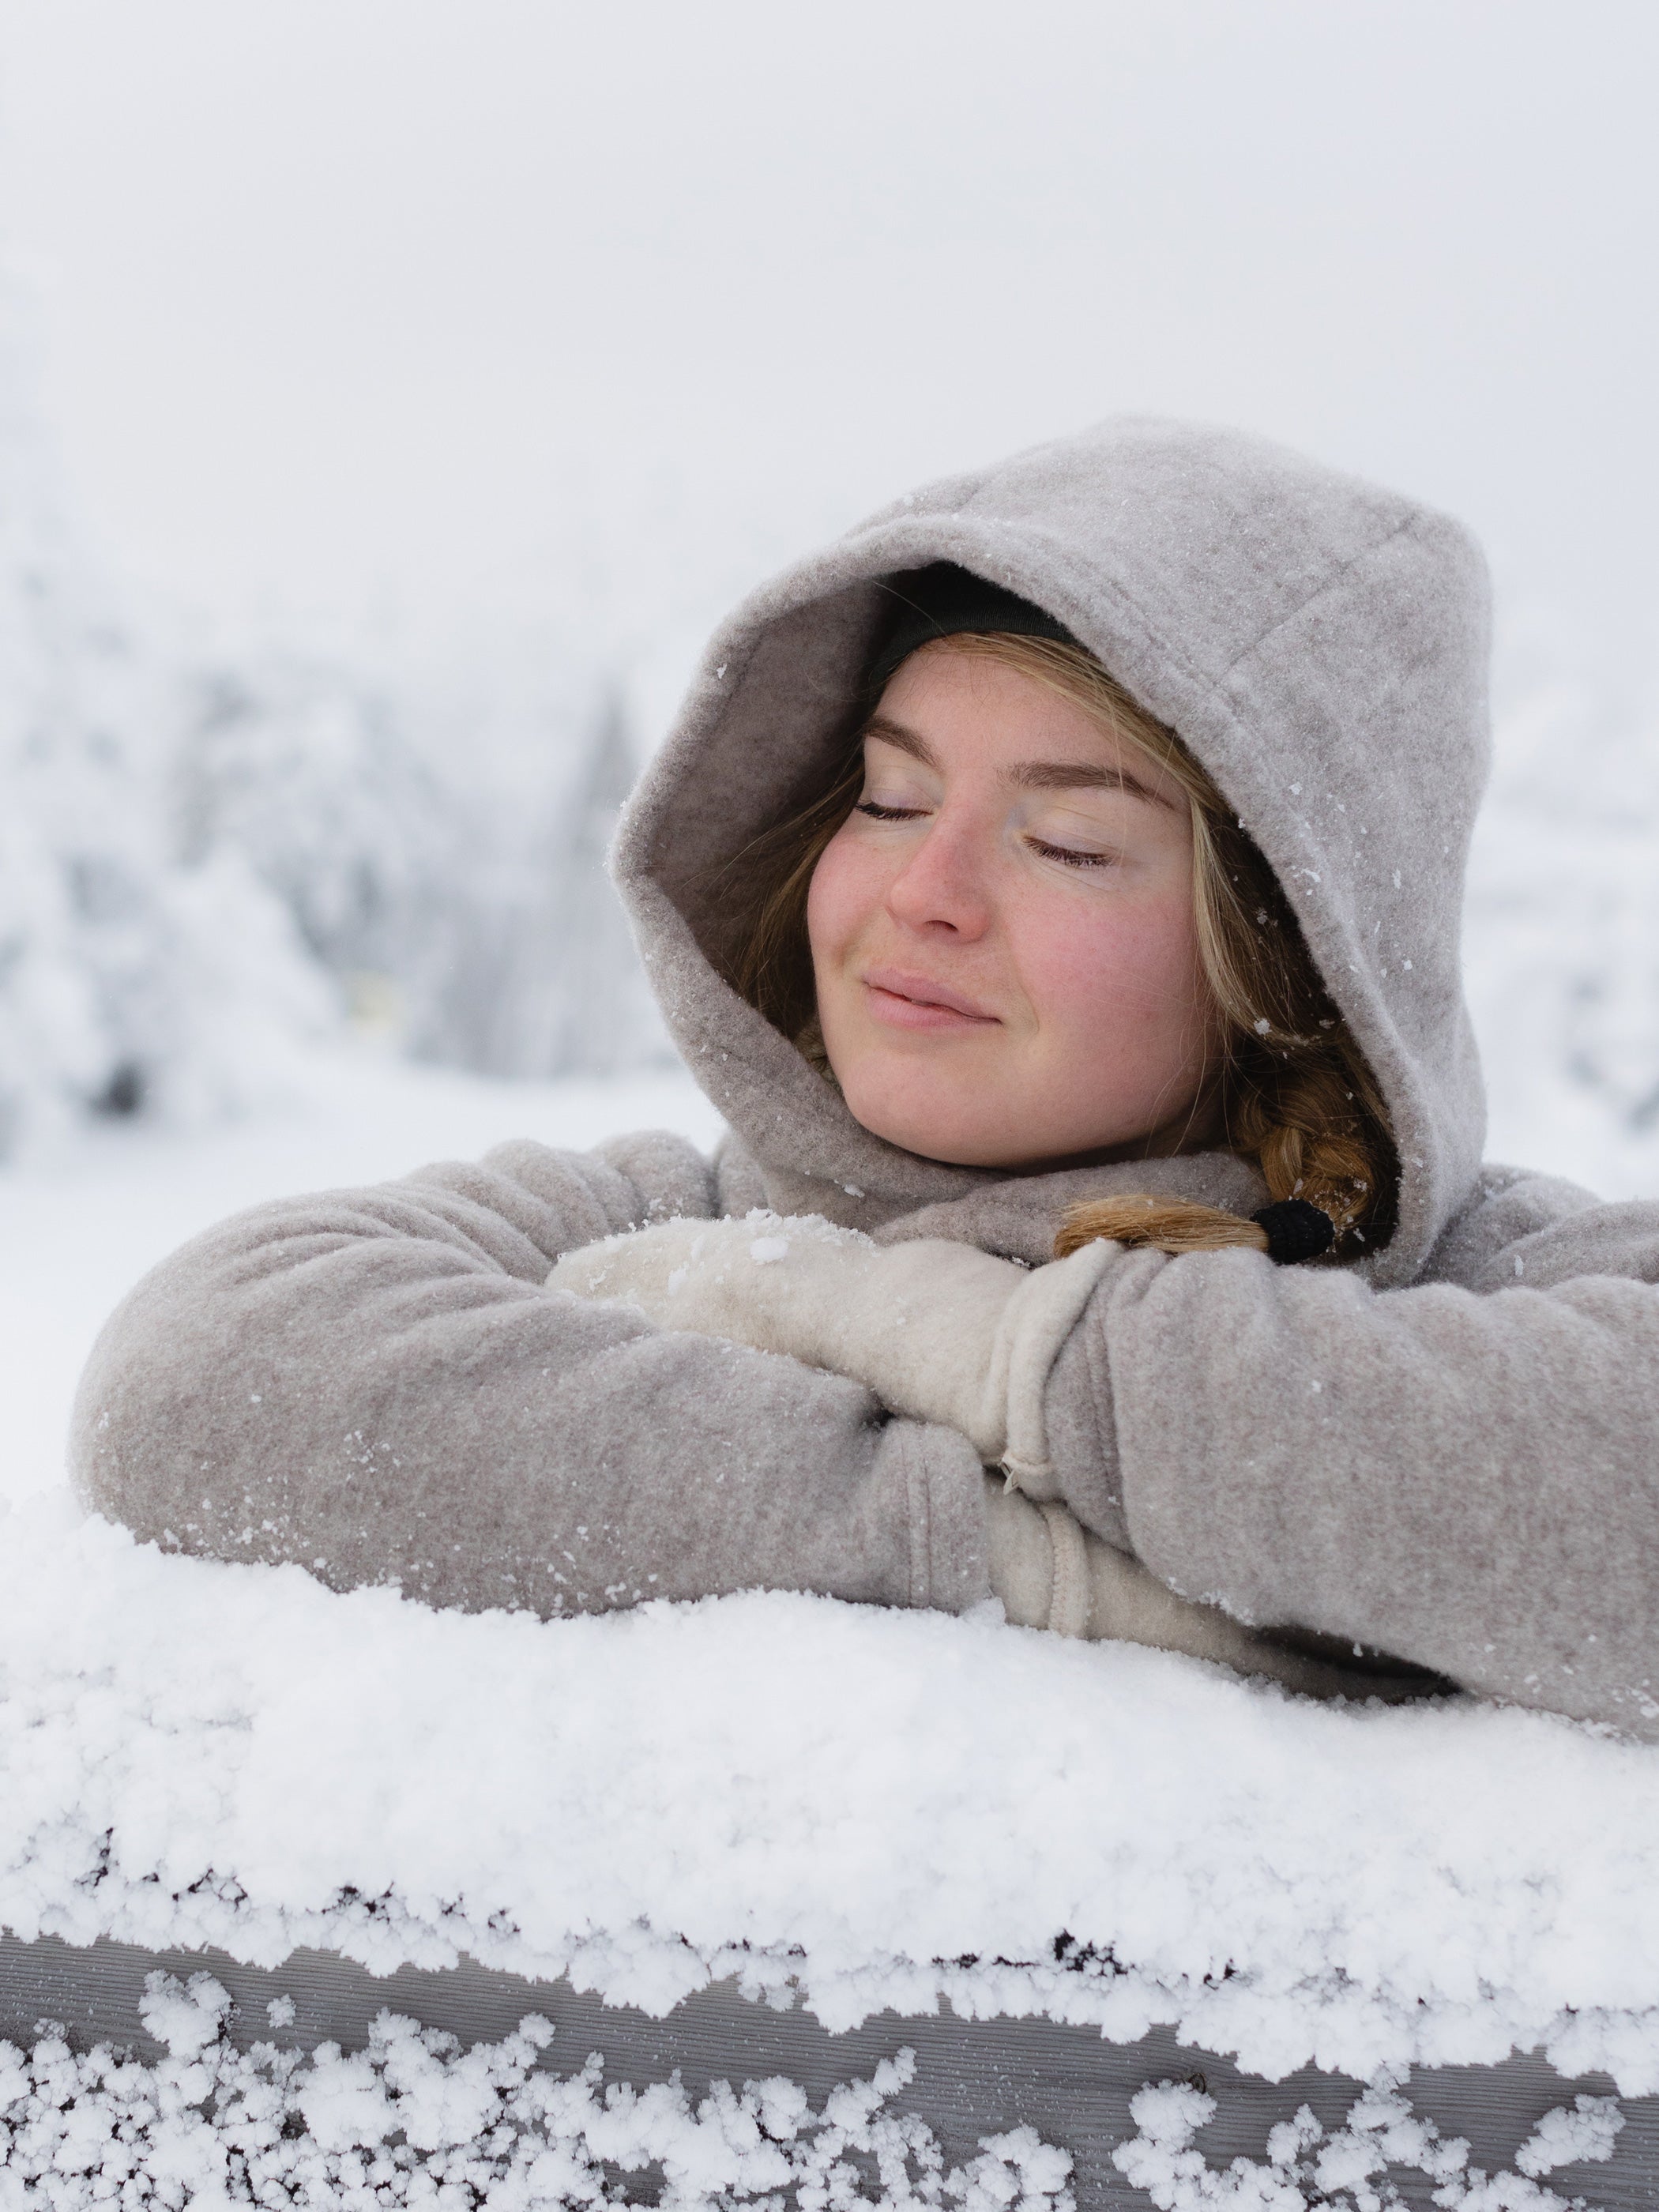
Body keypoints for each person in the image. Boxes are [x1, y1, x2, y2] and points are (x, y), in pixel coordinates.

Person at [71, 419, 1659, 1732]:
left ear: (1287, 957)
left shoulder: (1465, 1272)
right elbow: (197, 1383)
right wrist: (1042, 1564)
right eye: (890, 801)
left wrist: (964, 1341)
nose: (925, 892)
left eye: (1066, 840)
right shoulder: (679, 1215)